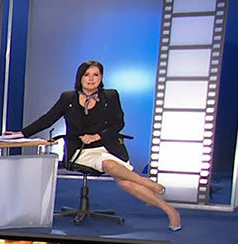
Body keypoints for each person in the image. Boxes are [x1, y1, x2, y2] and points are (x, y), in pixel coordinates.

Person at [9, 60, 181, 231]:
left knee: (126, 184)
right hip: (81, 150)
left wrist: (97, 136)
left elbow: (118, 123)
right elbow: (48, 119)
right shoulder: (68, 98)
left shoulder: (111, 96)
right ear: (80, 77)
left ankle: (170, 211)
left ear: (101, 77)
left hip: (107, 146)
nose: (91, 79)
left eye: (96, 75)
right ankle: (146, 182)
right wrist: (22, 133)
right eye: (87, 75)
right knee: (109, 165)